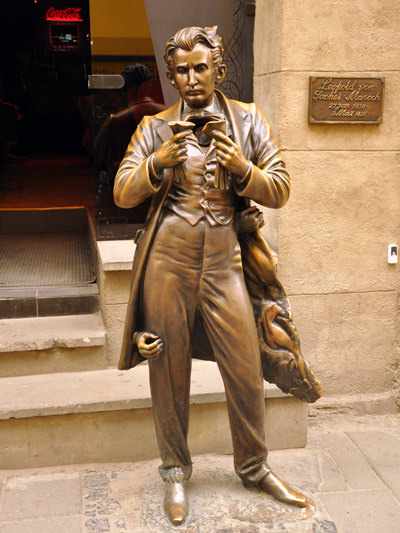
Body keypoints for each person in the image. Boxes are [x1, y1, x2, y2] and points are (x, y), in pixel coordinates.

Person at [114, 26, 311, 526]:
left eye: (200, 67)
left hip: (226, 265)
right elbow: (122, 191)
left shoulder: (248, 120)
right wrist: (157, 164)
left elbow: (280, 187)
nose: (191, 78)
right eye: (180, 70)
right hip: (168, 263)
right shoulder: (155, 127)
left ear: (219, 70)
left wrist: (243, 169)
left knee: (245, 369)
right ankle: (176, 471)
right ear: (172, 75)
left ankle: (255, 466)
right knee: (169, 369)